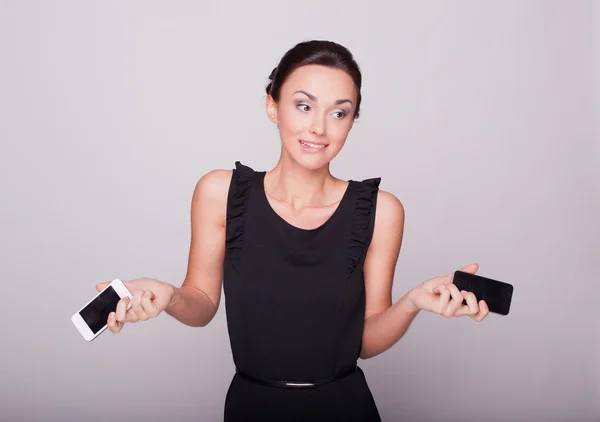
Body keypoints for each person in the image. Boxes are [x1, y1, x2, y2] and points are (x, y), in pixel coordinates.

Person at [95, 40, 490, 421]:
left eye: (339, 113)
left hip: (344, 407)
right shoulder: (219, 193)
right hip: (252, 406)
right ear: (273, 107)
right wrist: (168, 296)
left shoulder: (381, 211)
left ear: (353, 121)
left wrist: (413, 303)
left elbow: (365, 344)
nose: (318, 128)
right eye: (304, 106)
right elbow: (201, 305)